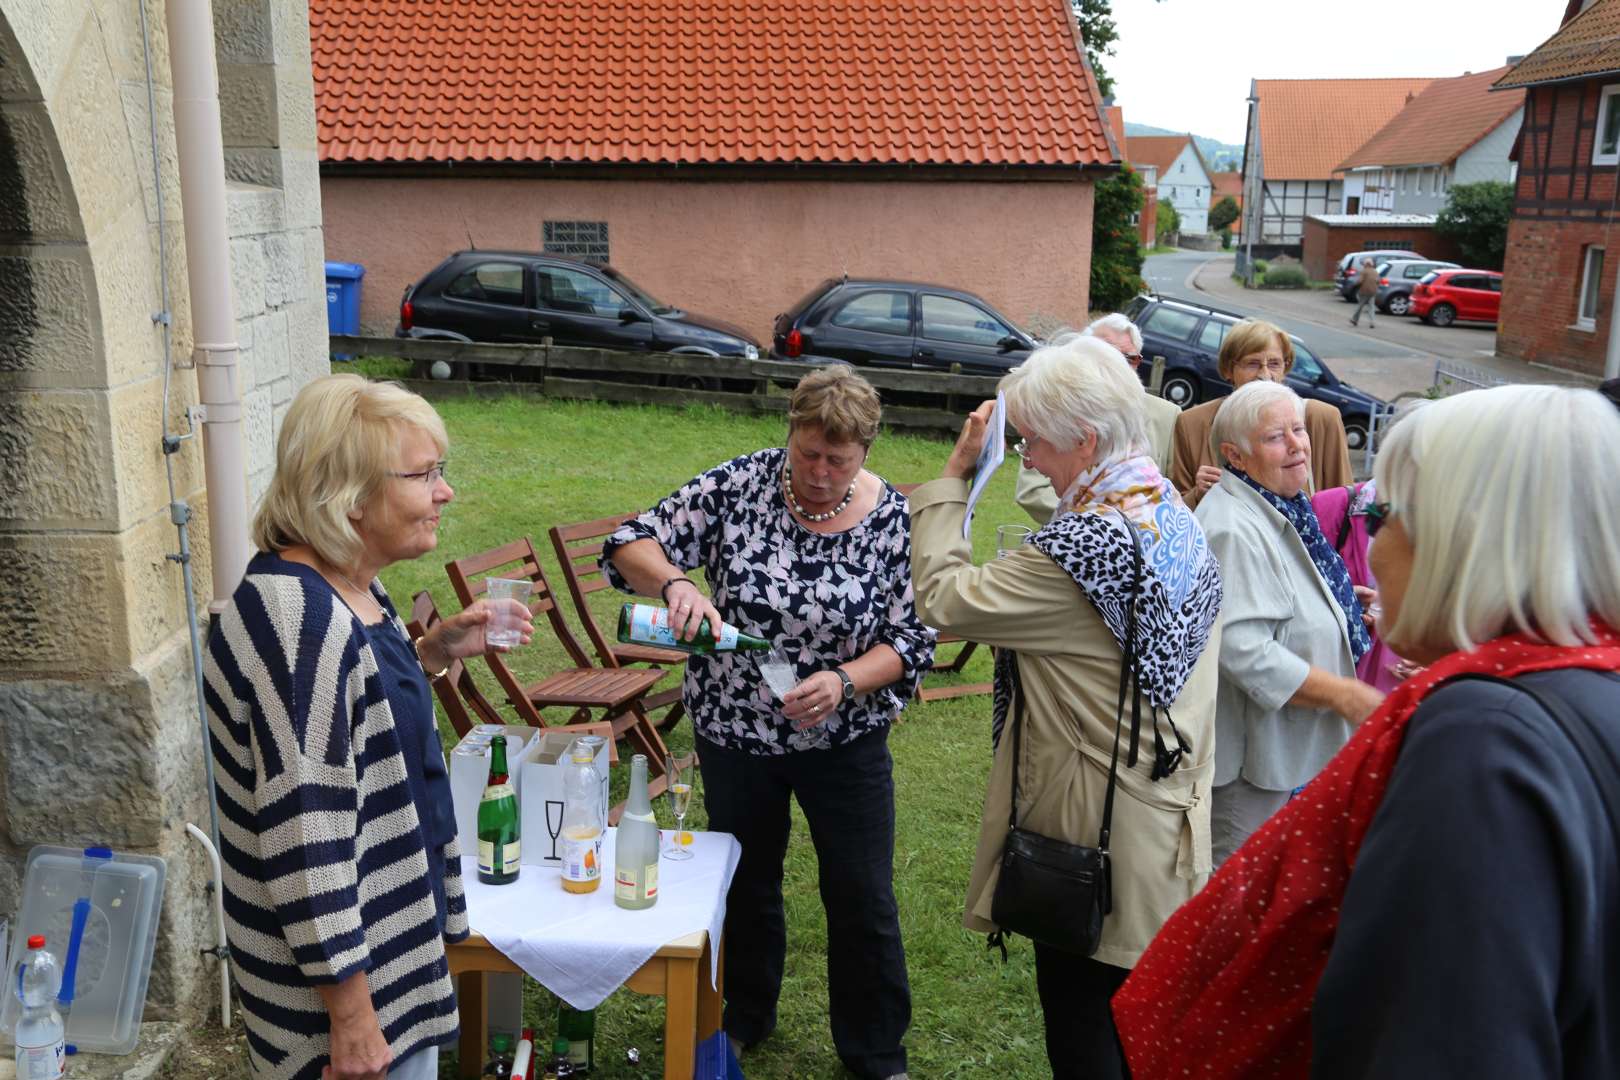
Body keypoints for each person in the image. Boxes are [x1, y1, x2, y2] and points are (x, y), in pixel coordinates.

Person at [1112, 384, 1620, 1079]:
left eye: (1387, 516)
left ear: (1467, 536)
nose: (1373, 548)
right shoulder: (1581, 681)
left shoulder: (1481, 743)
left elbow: (1444, 1043)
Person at [601, 364, 933, 1080]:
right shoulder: (740, 484)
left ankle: (876, 1049)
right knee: (744, 879)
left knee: (861, 891)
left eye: (836, 461)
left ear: (866, 452)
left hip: (843, 737)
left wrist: (844, 681)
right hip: (735, 730)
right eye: (807, 452)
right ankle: (745, 1014)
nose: (817, 472)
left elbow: (912, 640)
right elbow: (631, 541)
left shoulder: (895, 519)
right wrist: (678, 582)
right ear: (790, 433)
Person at [908, 336, 1224, 1080]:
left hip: (1093, 835)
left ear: (1085, 441)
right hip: (1163, 816)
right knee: (1127, 1022)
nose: (1030, 461)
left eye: (1034, 444)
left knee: (1084, 1027)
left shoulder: (1080, 551)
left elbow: (943, 600)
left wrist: (953, 479)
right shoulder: (1163, 508)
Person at [205, 374, 533, 1080]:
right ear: (348, 497)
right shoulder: (300, 624)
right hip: (343, 1006)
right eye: (423, 475)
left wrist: (432, 654)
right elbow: (305, 830)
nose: (445, 492)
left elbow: (351, 716)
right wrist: (351, 1018)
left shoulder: (352, 585)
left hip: (385, 957)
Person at [1195, 380, 1383, 864]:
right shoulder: (1232, 526)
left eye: (1298, 429)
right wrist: (1343, 694)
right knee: (1236, 890)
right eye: (1276, 437)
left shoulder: (1278, 500)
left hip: (1281, 749)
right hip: (1253, 762)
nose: (1298, 443)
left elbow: (1275, 595)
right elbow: (1241, 647)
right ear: (1235, 457)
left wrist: (1334, 603)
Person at [1014, 313, 1180, 524]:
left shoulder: (1169, 414)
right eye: (1107, 356)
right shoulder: (1059, 409)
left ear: (1138, 363)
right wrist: (1085, 520)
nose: (1118, 365)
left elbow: (1171, 488)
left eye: (1129, 359)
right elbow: (1032, 491)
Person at [1169, 318, 1352, 509]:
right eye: (1252, 364)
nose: (1265, 374)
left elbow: (1345, 505)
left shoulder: (1320, 418)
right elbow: (1175, 514)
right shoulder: (1192, 423)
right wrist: (1197, 494)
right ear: (1228, 369)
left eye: (1274, 363)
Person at [1348, 256, 1378, 327]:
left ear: (1366, 264)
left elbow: (1360, 281)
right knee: (1371, 307)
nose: (1363, 265)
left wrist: (1354, 284)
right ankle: (1372, 322)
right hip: (1373, 292)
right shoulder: (1375, 271)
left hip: (1364, 291)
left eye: (1364, 263)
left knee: (1360, 306)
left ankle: (1354, 320)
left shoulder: (1364, 271)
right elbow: (1378, 281)